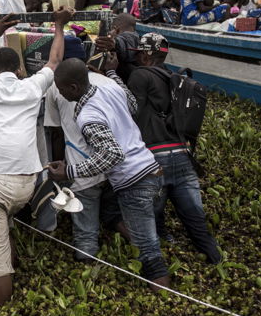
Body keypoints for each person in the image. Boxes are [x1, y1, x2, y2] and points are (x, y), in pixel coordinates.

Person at [0, 7, 74, 305]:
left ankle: (1, 310)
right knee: (4, 224)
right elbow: (54, 61)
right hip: (29, 183)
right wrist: (59, 26)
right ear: (20, 70)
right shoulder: (30, 86)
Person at [48, 58, 170, 290]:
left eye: (60, 88)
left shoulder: (87, 116)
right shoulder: (110, 90)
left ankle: (167, 300)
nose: (59, 93)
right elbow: (133, 104)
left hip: (134, 180)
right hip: (152, 168)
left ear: (73, 88)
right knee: (146, 236)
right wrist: (113, 73)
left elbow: (112, 155)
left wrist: (69, 171)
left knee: (148, 249)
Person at [125, 33, 222, 264]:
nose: (136, 58)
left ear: (148, 55)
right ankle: (216, 260)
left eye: (139, 54)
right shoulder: (174, 78)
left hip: (155, 157)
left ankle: (164, 250)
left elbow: (131, 112)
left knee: (154, 213)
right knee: (195, 218)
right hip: (181, 154)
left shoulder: (140, 75)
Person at [43, 55, 130, 260]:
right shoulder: (110, 83)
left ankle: (87, 264)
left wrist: (62, 172)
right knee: (115, 214)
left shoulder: (57, 86)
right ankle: (141, 245)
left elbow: (56, 132)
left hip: (82, 167)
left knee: (85, 232)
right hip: (118, 167)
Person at [94, 13, 139, 82]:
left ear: (116, 29)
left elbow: (125, 43)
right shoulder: (137, 38)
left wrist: (115, 44)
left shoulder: (129, 38)